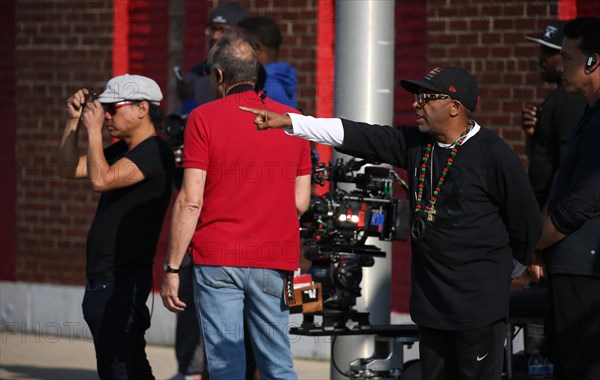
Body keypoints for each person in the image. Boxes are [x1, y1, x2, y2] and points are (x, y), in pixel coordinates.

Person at [241, 65, 542, 380]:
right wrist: (291, 122)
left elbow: (526, 222)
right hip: (432, 305)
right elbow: (359, 135)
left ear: (454, 107)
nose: (416, 104)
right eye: (416, 97)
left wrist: (508, 272)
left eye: (426, 98)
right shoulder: (415, 144)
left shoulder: (494, 155)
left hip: (478, 306)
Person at [160, 31, 312, 379]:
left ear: (218, 75)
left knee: (226, 363)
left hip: (218, 256)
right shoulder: (292, 120)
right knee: (277, 363)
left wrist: (171, 268)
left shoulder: (202, 118)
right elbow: (300, 202)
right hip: (273, 256)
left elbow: (190, 201)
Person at [57, 74, 175, 379]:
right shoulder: (125, 149)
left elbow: (101, 180)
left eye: (113, 108)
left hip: (121, 280)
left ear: (141, 109)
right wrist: (73, 122)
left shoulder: (154, 151)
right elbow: (69, 169)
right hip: (106, 278)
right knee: (131, 367)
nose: (106, 115)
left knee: (118, 369)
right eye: (103, 109)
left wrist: (94, 131)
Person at [531, 17, 600, 380]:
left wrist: (530, 244)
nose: (562, 66)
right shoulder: (588, 115)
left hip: (586, 271)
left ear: (594, 62)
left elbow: (578, 205)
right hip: (567, 264)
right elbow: (561, 187)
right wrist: (538, 247)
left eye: (570, 57)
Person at [522, 20, 587, 209]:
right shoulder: (558, 98)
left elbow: (569, 169)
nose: (541, 58)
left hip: (552, 214)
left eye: (549, 52)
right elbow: (541, 160)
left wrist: (548, 221)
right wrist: (532, 134)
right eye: (541, 50)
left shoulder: (571, 100)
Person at [177, 1, 249, 116]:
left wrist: (188, 101)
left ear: (241, 34)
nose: (215, 36)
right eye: (213, 29)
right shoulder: (196, 73)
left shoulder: (251, 73)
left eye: (223, 30)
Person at [239, 16, 299, 109]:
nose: (235, 50)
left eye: (240, 45)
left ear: (257, 48)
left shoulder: (266, 86)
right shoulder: (282, 80)